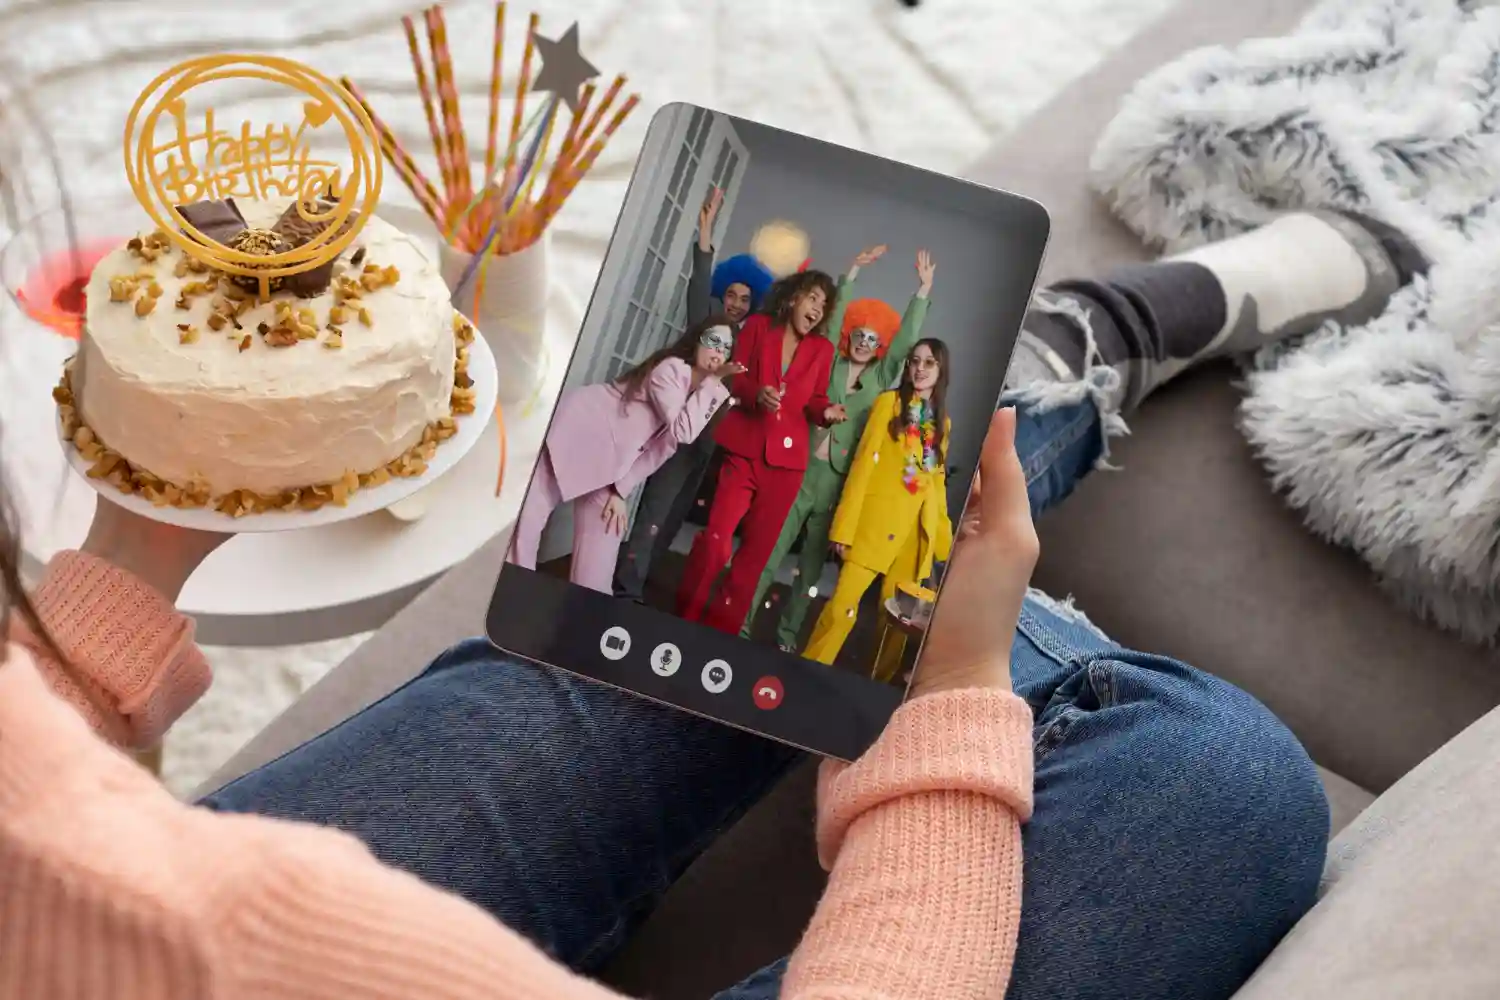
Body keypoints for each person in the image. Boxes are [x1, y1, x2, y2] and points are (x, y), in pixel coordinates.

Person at [3, 203, 1426, 1000]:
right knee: (1219, 777)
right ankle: (1011, 585)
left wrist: (122, 573)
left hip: (818, 468)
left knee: (637, 638)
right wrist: (947, 699)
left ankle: (1058, 369)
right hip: (764, 473)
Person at [742, 246, 936, 648]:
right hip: (798, 469)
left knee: (809, 572)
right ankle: (740, 620)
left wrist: (922, 291)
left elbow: (904, 345)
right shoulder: (830, 358)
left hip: (836, 485)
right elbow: (828, 329)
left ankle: (787, 635)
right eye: (858, 335)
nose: (863, 343)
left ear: (879, 345)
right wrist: (851, 272)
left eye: (872, 339)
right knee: (769, 549)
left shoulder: (883, 376)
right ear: (850, 334)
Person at [613, 188, 775, 603]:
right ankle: (624, 587)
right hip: (680, 433)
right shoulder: (707, 327)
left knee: (673, 518)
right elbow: (698, 282)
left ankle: (640, 583)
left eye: (744, 299)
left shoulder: (750, 342)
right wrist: (705, 231)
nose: (736, 305)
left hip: (713, 444)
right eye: (731, 296)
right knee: (654, 512)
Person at [507, 315, 740, 594]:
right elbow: (682, 431)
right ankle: (509, 598)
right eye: (713, 341)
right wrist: (713, 381)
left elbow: (661, 450)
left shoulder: (702, 395)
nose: (718, 351)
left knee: (599, 565)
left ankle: (584, 620)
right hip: (580, 430)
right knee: (526, 526)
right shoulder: (671, 370)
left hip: (611, 468)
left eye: (725, 347)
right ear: (697, 340)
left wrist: (621, 491)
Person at [676, 269, 848, 632]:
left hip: (787, 466)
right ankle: (684, 619)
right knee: (717, 543)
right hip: (744, 451)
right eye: (812, 298)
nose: (818, 308)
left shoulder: (822, 349)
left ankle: (721, 632)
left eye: (824, 304)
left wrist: (827, 412)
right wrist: (755, 393)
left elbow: (815, 400)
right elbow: (733, 374)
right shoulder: (757, 327)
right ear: (793, 298)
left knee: (754, 558)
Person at [803, 339, 955, 665]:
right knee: (841, 611)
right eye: (915, 361)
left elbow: (936, 485)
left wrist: (944, 546)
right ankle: (807, 669)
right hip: (874, 527)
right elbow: (861, 467)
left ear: (941, 371)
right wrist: (844, 528)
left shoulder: (942, 424)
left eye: (929, 363)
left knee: (895, 631)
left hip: (913, 538)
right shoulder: (888, 405)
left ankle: (876, 694)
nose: (920, 368)